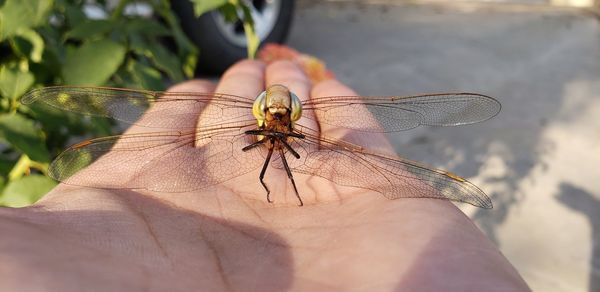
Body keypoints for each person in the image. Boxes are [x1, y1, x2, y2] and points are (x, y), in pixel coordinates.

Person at [0, 60, 529, 291]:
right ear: (256, 113)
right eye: (270, 115)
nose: (277, 122)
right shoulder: (257, 122)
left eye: (286, 116)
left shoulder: (293, 122)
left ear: (294, 113)